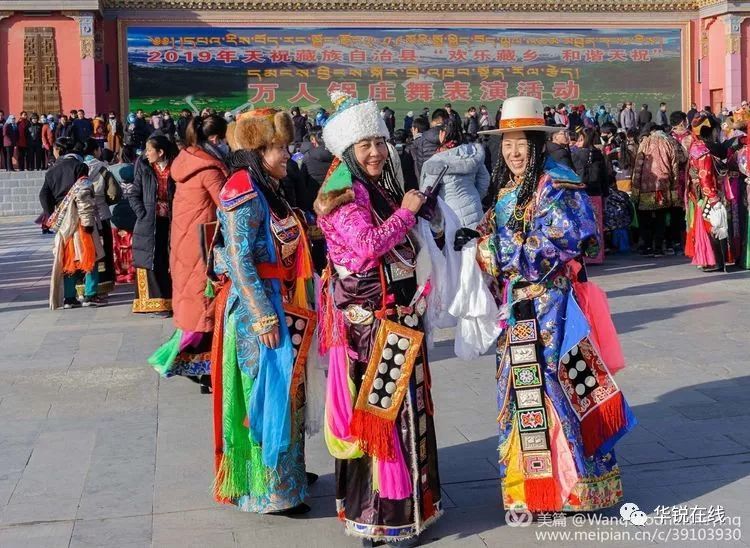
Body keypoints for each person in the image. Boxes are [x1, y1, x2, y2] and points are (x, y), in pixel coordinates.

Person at [463, 95, 635, 515]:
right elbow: (497, 228)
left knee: (556, 389)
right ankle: (533, 487)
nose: (514, 152)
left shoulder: (558, 184)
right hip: (518, 309)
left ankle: (574, 488)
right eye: (507, 144)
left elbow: (558, 242)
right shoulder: (509, 189)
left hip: (552, 309)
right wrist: (470, 234)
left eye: (521, 143)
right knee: (523, 396)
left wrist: (490, 249)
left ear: (538, 143)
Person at [313, 91, 442, 545]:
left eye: (379, 142)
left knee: (404, 411)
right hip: (371, 327)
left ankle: (409, 507)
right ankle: (379, 517)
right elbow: (368, 246)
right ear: (348, 148)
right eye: (365, 144)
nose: (374, 152)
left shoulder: (371, 187)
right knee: (381, 417)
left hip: (395, 317)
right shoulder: (341, 193)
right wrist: (406, 213)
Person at [209, 108, 318, 516]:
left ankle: (288, 472)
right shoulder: (243, 191)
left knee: (289, 395)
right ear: (256, 150)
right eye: (278, 147)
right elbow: (238, 260)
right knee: (267, 397)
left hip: (285, 299)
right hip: (261, 310)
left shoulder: (269, 187)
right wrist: (262, 315)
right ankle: (269, 489)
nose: (287, 153)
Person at [149, 114, 229, 391]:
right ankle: (201, 371)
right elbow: (229, 205)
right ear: (217, 139)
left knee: (195, 311)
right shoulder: (209, 170)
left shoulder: (186, 164)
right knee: (205, 313)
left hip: (186, 246)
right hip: (201, 250)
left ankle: (200, 371)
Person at [42, 138, 104, 309]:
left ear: (58, 150)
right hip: (80, 217)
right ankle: (90, 294)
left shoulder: (52, 171)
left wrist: (51, 214)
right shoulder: (79, 167)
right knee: (89, 255)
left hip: (63, 221)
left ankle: (69, 298)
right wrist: (88, 222)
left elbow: (43, 195)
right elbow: (84, 194)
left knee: (68, 257)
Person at [130, 134, 177, 315]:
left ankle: (172, 300)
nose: (146, 153)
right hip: (149, 222)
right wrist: (143, 213)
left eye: (150, 150)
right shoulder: (145, 168)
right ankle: (156, 302)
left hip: (172, 221)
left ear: (161, 151)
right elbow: (134, 194)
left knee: (169, 259)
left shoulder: (176, 168)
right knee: (151, 260)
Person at [420, 118, 490, 227]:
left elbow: (426, 192)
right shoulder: (472, 153)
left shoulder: (437, 162)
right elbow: (484, 180)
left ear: (442, 134)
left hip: (450, 214)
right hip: (475, 207)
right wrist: (474, 196)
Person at [685, 113, 731, 272]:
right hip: (708, 194)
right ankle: (716, 261)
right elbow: (705, 176)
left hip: (699, 194)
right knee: (715, 225)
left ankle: (708, 260)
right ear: (710, 130)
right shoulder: (704, 151)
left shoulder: (696, 147)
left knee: (707, 226)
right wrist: (714, 199)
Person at [631, 123, 680, 257]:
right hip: (663, 187)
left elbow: (638, 166)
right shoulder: (670, 142)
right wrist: (674, 188)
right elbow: (674, 166)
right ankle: (658, 247)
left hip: (646, 186)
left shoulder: (645, 142)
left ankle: (646, 246)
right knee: (661, 218)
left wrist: (635, 188)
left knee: (646, 218)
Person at [83, 138, 120, 295]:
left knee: (87, 250)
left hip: (84, 215)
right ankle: (105, 282)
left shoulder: (79, 167)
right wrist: (105, 201)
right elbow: (114, 193)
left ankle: (84, 284)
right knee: (104, 249)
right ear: (95, 151)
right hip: (102, 214)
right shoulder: (103, 169)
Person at [572, 127, 610, 264]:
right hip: (596, 193)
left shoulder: (575, 155)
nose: (577, 142)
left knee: (582, 226)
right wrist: (605, 194)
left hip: (580, 194)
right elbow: (605, 177)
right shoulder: (598, 154)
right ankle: (596, 256)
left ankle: (583, 256)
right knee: (596, 225)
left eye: (580, 139)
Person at [109, 145, 138, 284]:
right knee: (131, 244)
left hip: (115, 213)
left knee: (117, 246)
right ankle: (132, 272)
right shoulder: (137, 170)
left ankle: (118, 272)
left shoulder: (110, 170)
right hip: (134, 214)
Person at [412, 108, 447, 178]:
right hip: (449, 179)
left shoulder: (423, 138)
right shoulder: (452, 135)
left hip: (429, 178)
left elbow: (420, 162)